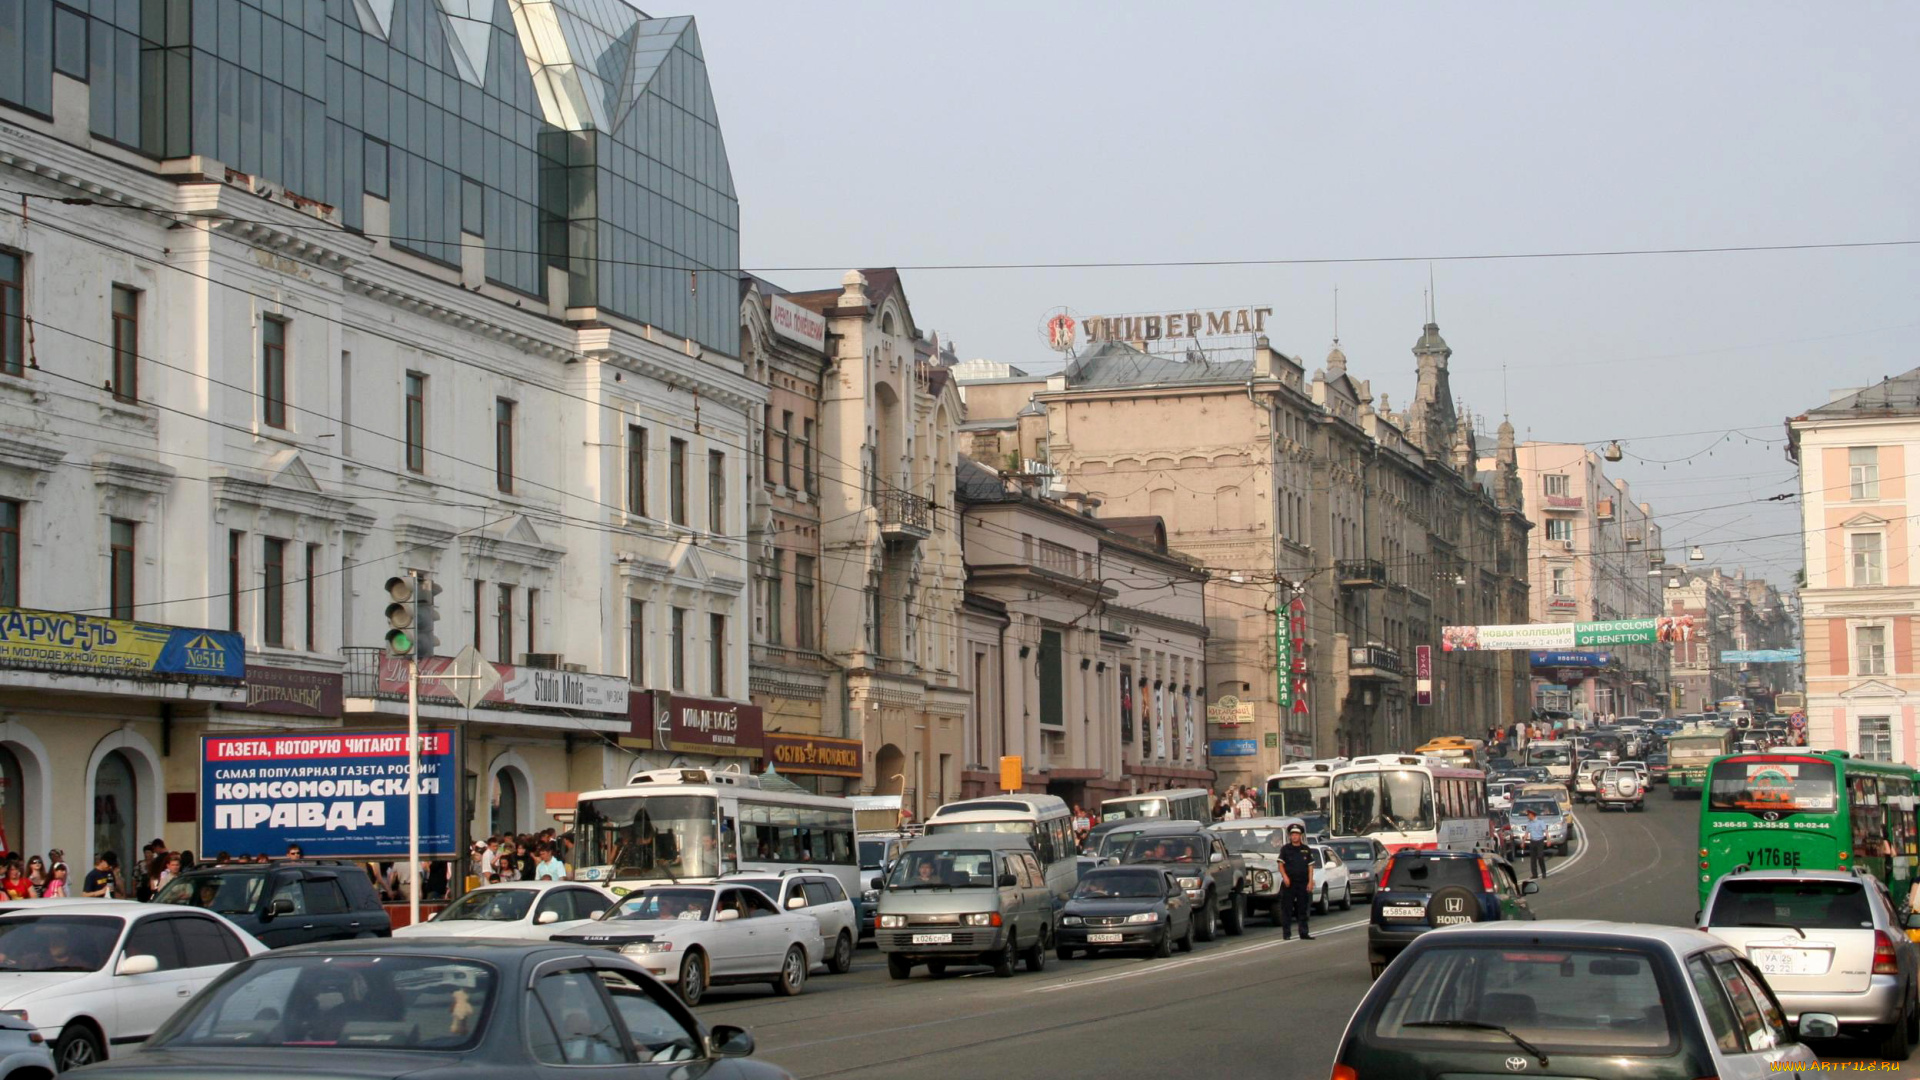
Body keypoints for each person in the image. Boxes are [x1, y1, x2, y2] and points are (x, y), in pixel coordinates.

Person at [1276, 823, 1315, 940]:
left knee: (1302, 908)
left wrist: (1310, 881)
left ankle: (1304, 933)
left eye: (1296, 834)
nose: (1294, 836)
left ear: (1300, 835)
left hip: (1303, 883)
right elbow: (1280, 864)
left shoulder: (1306, 850)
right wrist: (1285, 877)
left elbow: (1310, 867)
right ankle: (1286, 934)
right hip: (1290, 884)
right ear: (1289, 836)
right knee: (1287, 909)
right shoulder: (1285, 849)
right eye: (1292, 834)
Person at [1523, 808, 1549, 881]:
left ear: (1532, 815)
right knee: (1533, 859)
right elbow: (1526, 833)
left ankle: (1543, 872)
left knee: (1540, 857)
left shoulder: (1540, 822)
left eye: (1528, 815)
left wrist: (1548, 840)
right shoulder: (1529, 823)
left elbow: (1546, 831)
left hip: (1540, 841)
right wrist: (1523, 842)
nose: (1528, 816)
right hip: (1532, 841)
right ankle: (1534, 874)